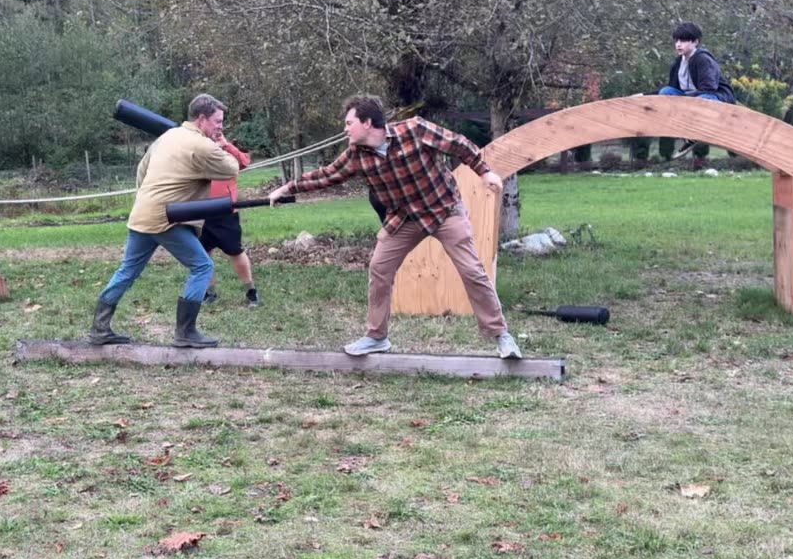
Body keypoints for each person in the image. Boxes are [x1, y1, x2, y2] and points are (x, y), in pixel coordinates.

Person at [267, 94, 522, 359]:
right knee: (379, 268)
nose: (345, 129)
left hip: (444, 210)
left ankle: (501, 335)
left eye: (348, 122)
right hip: (404, 218)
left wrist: (485, 171)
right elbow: (327, 175)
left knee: (471, 270)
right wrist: (287, 188)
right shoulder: (357, 155)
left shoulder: (415, 130)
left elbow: (458, 144)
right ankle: (377, 337)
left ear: (367, 123)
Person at [89, 93, 240, 348]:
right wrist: (222, 144)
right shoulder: (201, 146)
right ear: (202, 119)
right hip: (165, 219)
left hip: (142, 214)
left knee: (127, 271)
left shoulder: (167, 136)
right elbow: (232, 168)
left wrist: (147, 199)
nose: (220, 127)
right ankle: (185, 332)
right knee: (203, 266)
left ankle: (99, 328)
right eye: (217, 121)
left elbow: (141, 170)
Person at [655, 22, 735, 157]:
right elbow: (672, 88)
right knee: (665, 92)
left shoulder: (703, 59)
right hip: (691, 98)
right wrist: (643, 95)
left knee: (702, 100)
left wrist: (686, 100)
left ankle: (693, 135)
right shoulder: (678, 62)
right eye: (677, 41)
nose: (678, 44)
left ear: (695, 42)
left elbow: (709, 88)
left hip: (715, 97)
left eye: (684, 41)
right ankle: (684, 132)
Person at [200, 136, 261, 307]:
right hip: (201, 209)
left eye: (219, 124)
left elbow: (245, 162)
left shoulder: (227, 150)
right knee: (203, 252)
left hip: (226, 211)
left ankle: (251, 292)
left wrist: (226, 145)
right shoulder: (196, 145)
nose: (217, 129)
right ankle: (210, 293)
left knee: (235, 251)